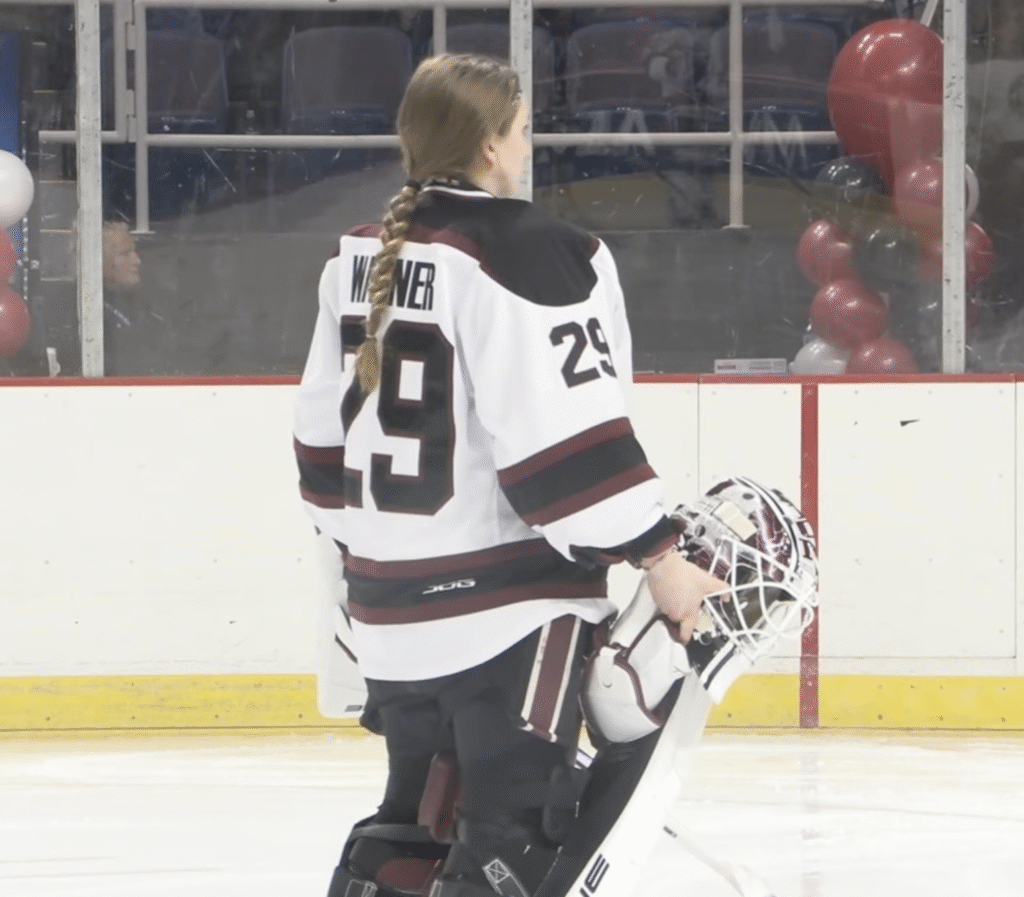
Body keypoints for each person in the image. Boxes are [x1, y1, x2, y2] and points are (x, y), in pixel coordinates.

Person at [292, 53, 729, 897]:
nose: (527, 149)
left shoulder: (354, 254)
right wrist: (661, 559)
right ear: (492, 145)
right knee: (512, 845)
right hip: (507, 621)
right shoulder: (531, 249)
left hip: (387, 617)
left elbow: (320, 451)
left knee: (413, 828)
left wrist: (371, 569)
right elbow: (565, 446)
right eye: (523, 132)